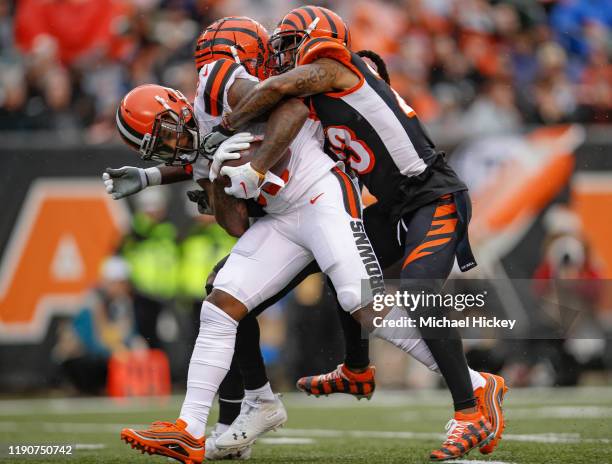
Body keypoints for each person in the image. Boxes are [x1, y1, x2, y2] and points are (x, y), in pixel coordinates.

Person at [204, 6, 507, 461]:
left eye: (288, 46)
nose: (282, 57)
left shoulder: (334, 63)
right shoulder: (318, 91)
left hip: (432, 196)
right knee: (341, 257)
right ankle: (357, 368)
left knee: (419, 289)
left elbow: (280, 86)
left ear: (317, 39)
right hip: (394, 205)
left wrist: (223, 125)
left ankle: (472, 406)